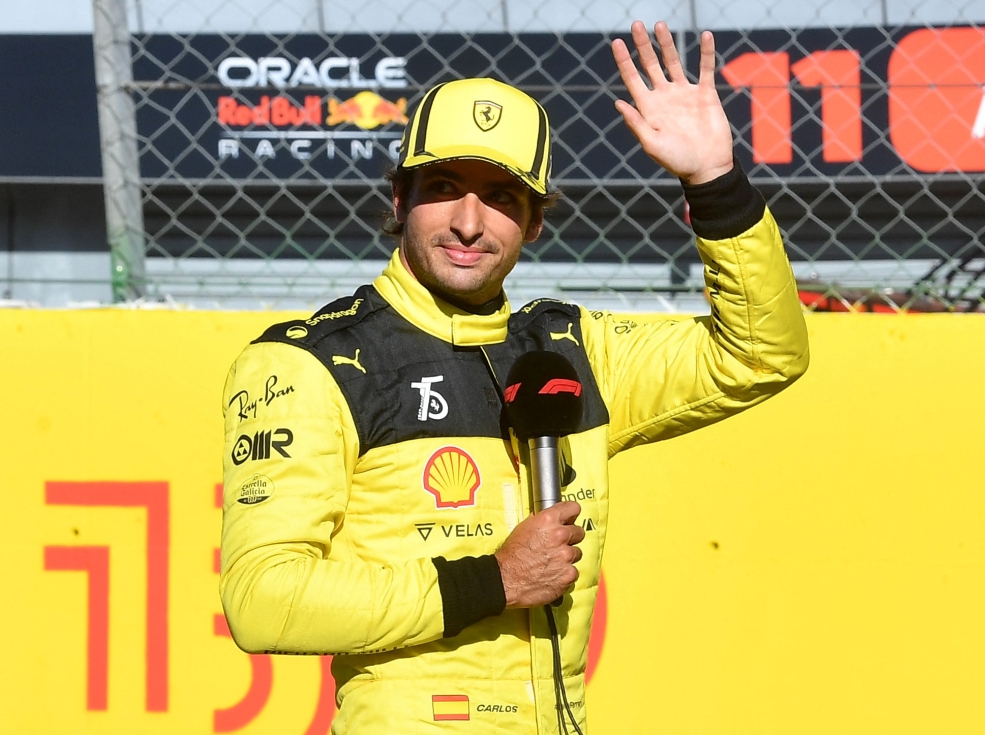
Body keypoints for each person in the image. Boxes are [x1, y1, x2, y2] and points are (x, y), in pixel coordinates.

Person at [220, 21, 809, 735]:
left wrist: (714, 182)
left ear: (533, 223)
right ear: (400, 199)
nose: (470, 223)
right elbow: (261, 600)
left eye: (501, 196)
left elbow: (762, 352)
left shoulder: (573, 350)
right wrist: (495, 580)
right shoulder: (308, 363)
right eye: (444, 187)